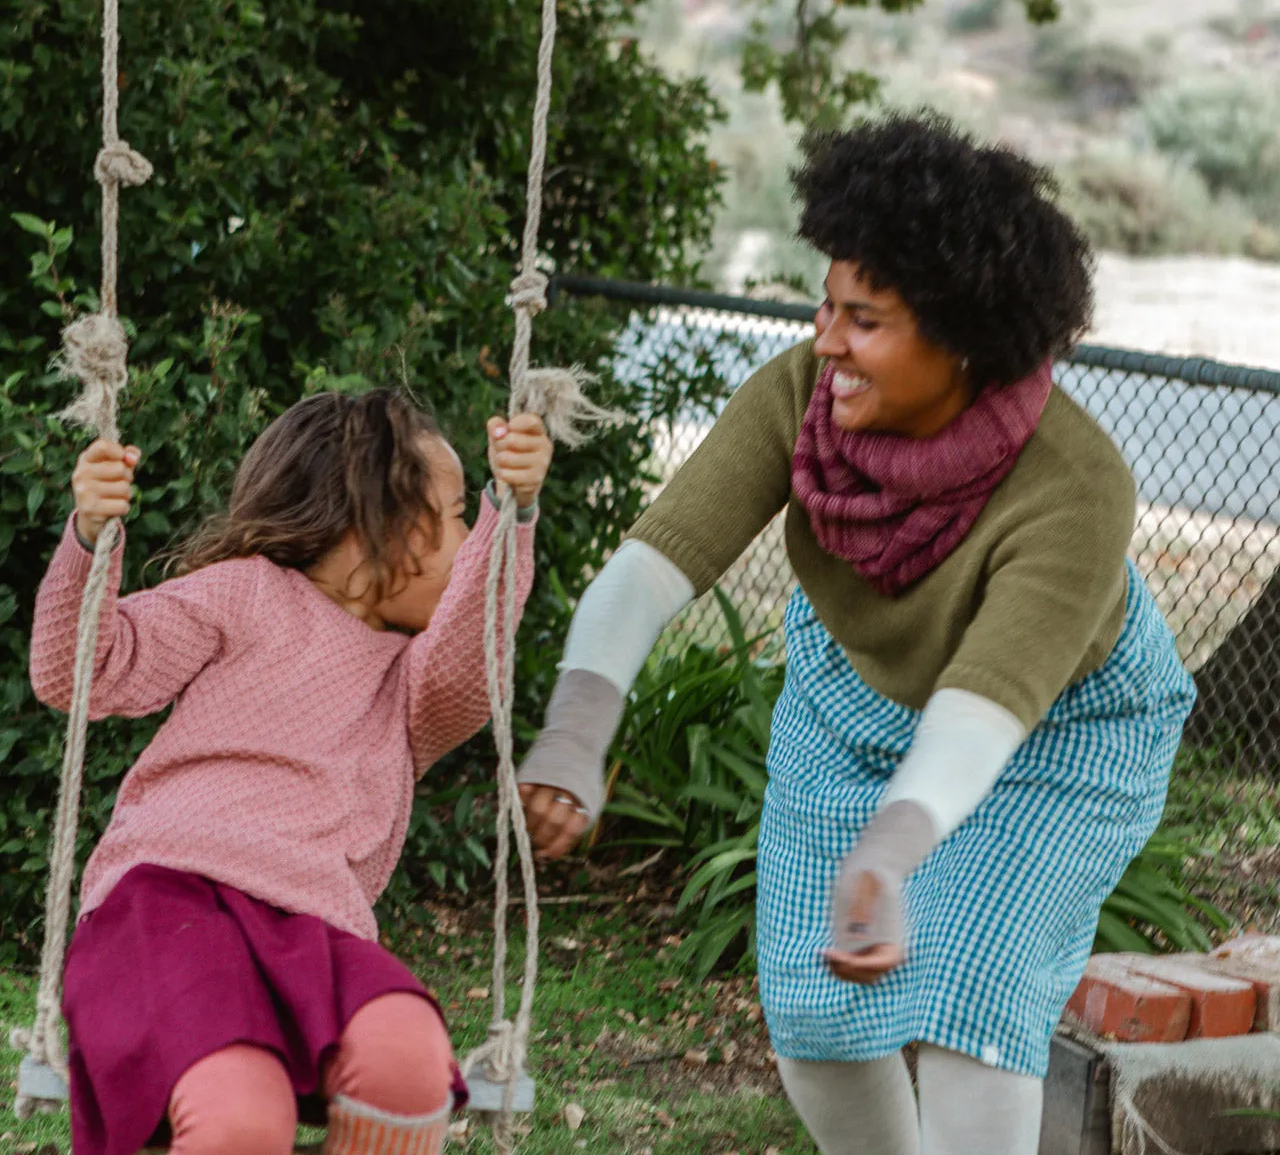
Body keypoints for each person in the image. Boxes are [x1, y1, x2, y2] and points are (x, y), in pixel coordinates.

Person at [515, 113, 1196, 1155]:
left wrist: (887, 850)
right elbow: (650, 565)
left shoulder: (1073, 483)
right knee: (818, 1018)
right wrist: (575, 729)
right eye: (824, 306)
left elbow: (985, 704)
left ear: (960, 334)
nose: (826, 339)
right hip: (849, 697)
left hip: (1056, 731)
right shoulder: (801, 398)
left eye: (863, 318)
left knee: (971, 1002)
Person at [29, 388, 553, 1155]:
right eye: (451, 518)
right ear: (365, 522)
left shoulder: (414, 683)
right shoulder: (244, 593)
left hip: (315, 923)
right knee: (241, 1118)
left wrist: (513, 515)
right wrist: (90, 534)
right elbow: (81, 669)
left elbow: (470, 655)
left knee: (408, 1059)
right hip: (167, 902)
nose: (466, 541)